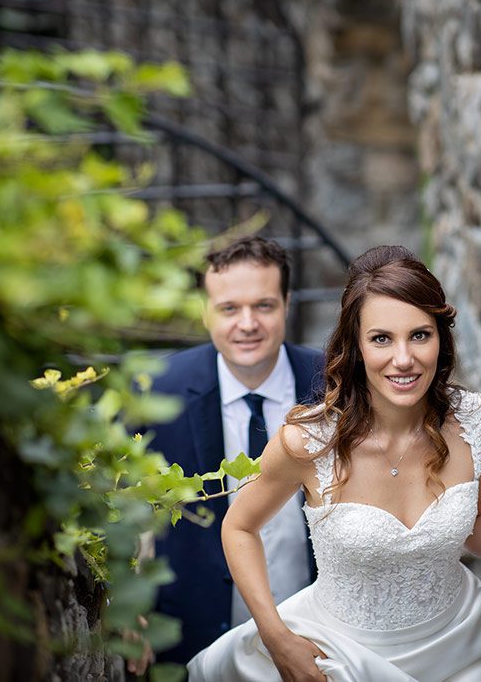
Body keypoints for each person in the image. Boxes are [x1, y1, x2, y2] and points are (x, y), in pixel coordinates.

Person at [188, 245, 481, 681]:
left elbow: (478, 523)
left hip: (462, 651)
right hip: (342, 659)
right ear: (356, 345)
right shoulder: (307, 442)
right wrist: (276, 638)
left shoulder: (478, 421)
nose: (403, 359)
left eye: (420, 335)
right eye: (381, 338)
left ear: (441, 339)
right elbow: (239, 526)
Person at [140, 237, 325, 669]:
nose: (247, 323)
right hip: (197, 642)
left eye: (263, 305)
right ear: (205, 311)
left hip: (321, 635)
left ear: (287, 303)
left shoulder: (334, 383)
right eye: (228, 308)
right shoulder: (157, 391)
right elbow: (116, 504)